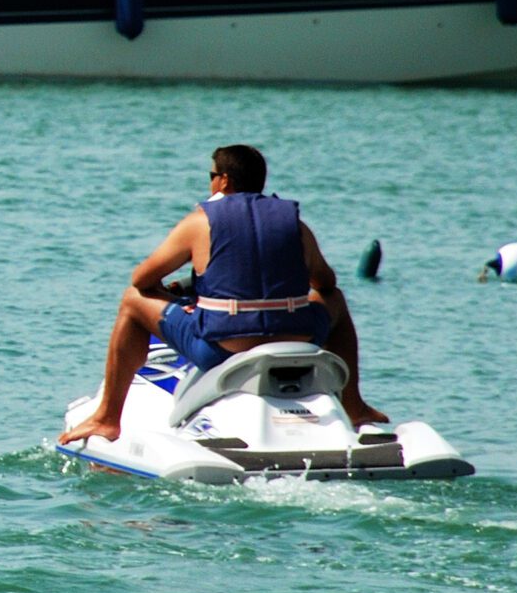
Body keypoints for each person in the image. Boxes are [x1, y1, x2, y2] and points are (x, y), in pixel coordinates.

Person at [58, 144, 383, 449]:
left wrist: (176, 295)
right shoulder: (294, 224)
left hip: (225, 349)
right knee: (336, 299)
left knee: (132, 300)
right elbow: (326, 282)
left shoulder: (200, 222)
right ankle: (353, 406)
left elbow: (142, 279)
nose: (211, 182)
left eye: (212, 176)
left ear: (224, 180)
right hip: (300, 339)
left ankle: (106, 418)